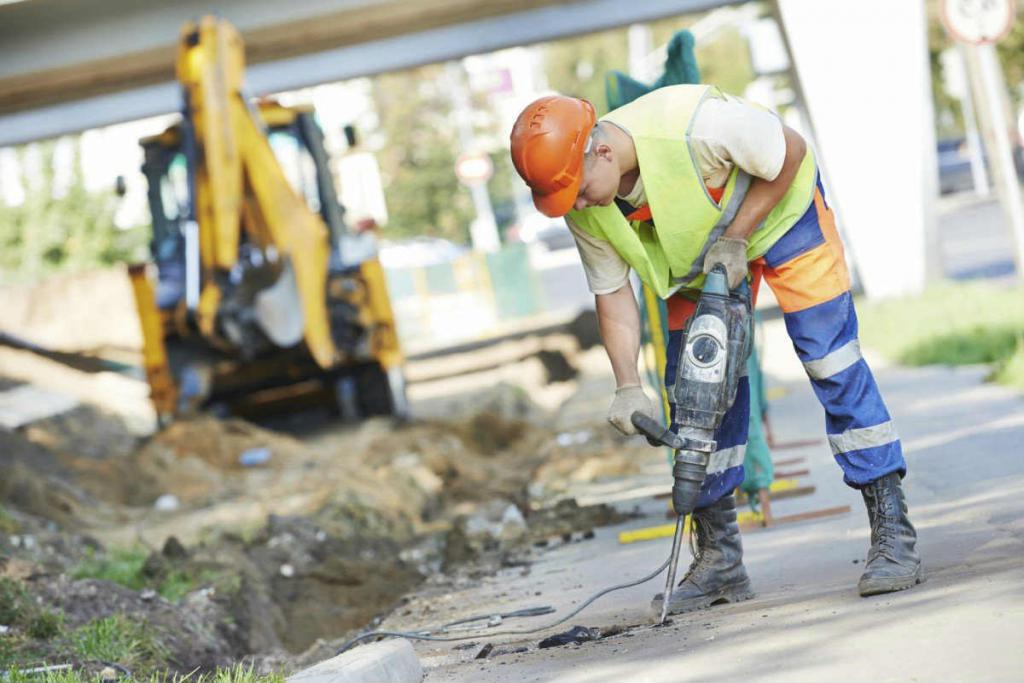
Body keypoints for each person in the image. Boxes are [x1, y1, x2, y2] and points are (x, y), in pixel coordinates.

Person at [509, 85, 922, 614]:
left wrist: (739, 234)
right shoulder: (581, 199)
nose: (580, 204)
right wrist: (628, 387)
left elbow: (789, 151)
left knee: (830, 359)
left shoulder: (695, 125)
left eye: (580, 190)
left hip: (781, 218)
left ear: (603, 151)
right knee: (696, 396)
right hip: (698, 262)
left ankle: (893, 531)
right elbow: (612, 294)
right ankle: (720, 561)